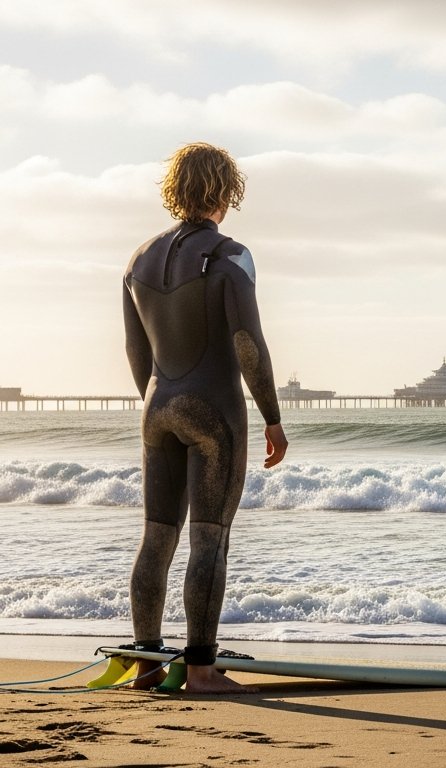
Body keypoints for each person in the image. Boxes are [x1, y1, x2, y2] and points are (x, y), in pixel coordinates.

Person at [121, 142, 288, 694]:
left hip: (156, 408)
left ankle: (145, 665)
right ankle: (199, 670)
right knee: (208, 541)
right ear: (225, 190)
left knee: (155, 539)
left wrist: (159, 402)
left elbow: (137, 355)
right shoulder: (231, 255)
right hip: (213, 413)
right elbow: (247, 343)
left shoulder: (137, 258)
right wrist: (271, 415)